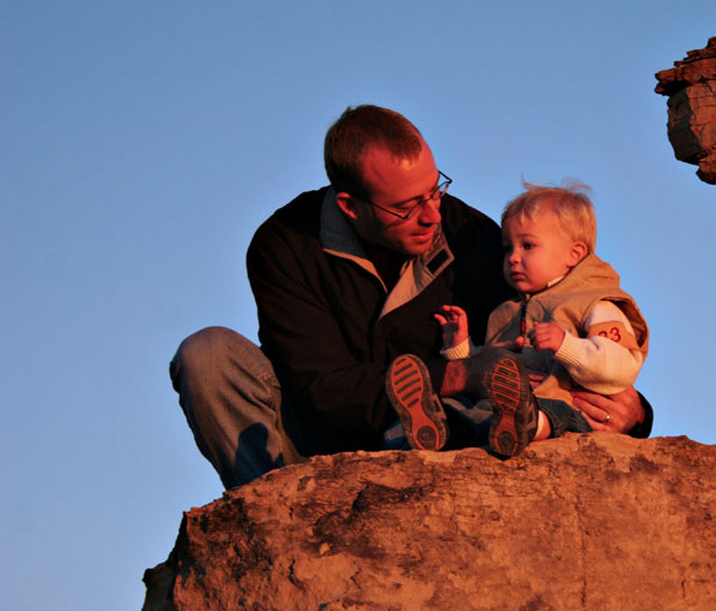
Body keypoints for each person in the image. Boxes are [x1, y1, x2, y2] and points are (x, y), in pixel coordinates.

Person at [170, 105, 652, 489]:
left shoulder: (472, 237)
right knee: (207, 355)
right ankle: (273, 523)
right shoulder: (285, 245)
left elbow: (552, 316)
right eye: (406, 206)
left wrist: (632, 406)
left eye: (434, 190)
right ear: (349, 206)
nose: (431, 215)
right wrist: (460, 372)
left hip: (437, 444)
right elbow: (324, 392)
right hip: (310, 443)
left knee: (490, 413)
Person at [385, 183, 649, 457]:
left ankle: (523, 424)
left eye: (528, 246)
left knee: (554, 412)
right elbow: (491, 369)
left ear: (575, 253)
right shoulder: (506, 311)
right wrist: (460, 348)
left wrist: (567, 345)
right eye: (508, 248)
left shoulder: (595, 303)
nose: (513, 258)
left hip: (567, 406)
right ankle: (427, 431)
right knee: (461, 408)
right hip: (502, 409)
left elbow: (623, 364)